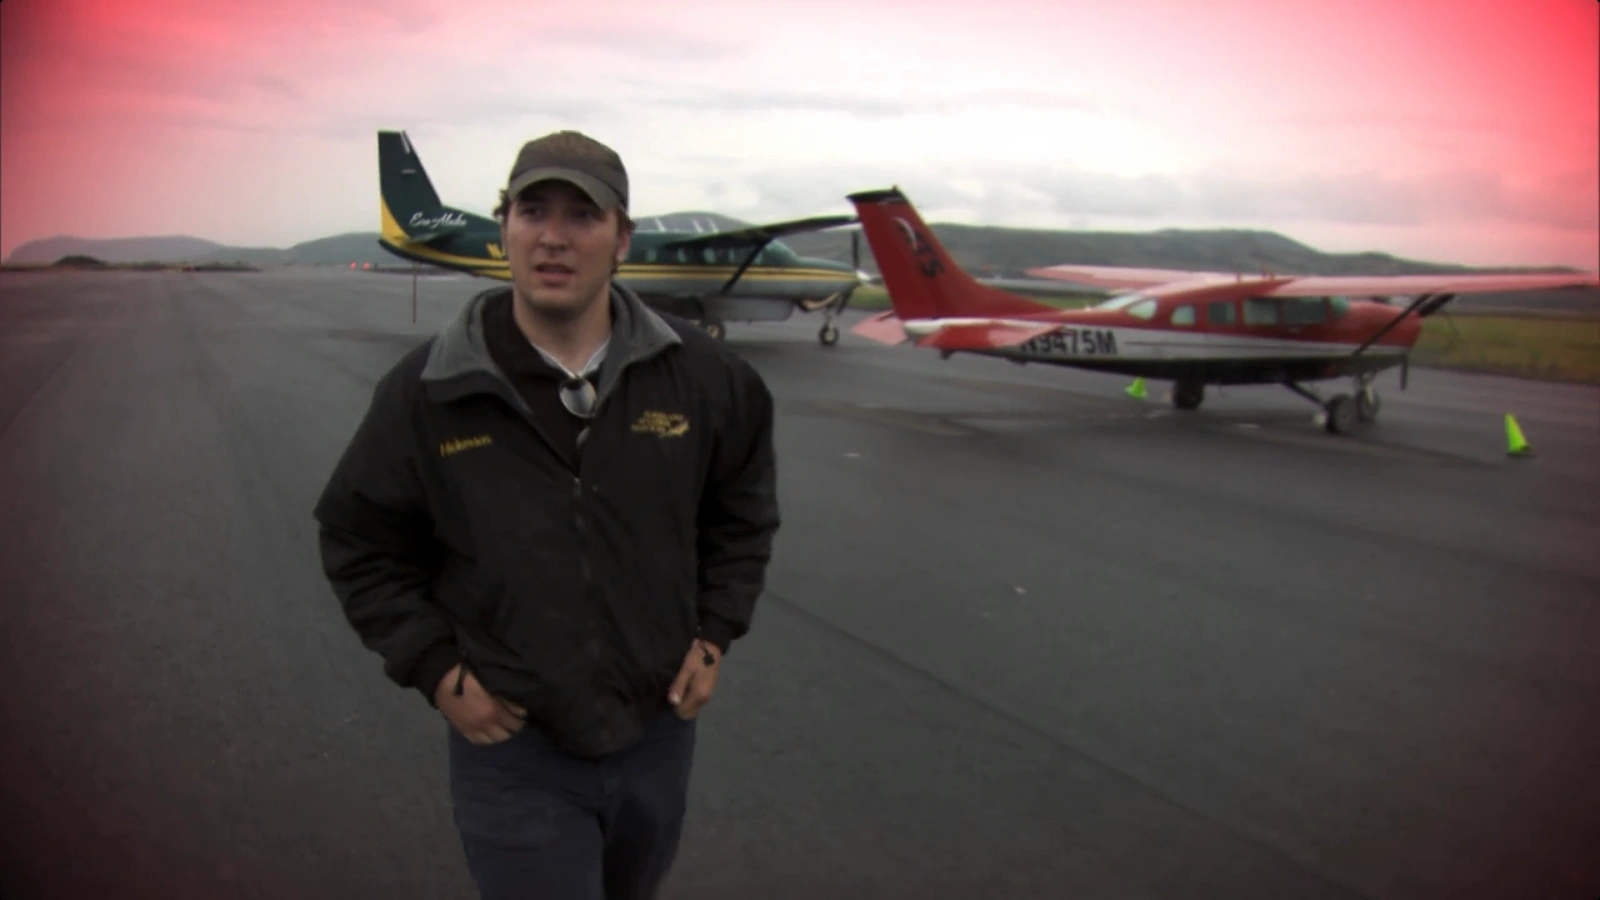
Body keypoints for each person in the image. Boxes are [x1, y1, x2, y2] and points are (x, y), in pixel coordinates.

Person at [312, 129, 781, 899]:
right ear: (504, 228)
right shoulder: (429, 389)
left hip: (656, 736)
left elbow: (742, 516)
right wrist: (436, 670)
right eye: (532, 212)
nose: (553, 237)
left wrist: (715, 633)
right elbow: (358, 539)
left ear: (621, 238)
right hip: (513, 745)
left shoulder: (709, 380)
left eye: (582, 215)